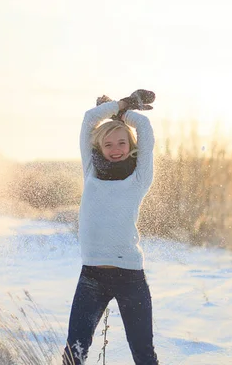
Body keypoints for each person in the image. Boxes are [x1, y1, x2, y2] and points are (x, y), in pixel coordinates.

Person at [63, 90, 159, 365]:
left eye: (121, 143)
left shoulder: (139, 179)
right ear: (99, 148)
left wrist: (123, 113)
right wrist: (120, 106)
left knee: (144, 355)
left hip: (131, 277)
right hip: (92, 276)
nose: (116, 149)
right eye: (108, 144)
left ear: (131, 146)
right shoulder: (91, 172)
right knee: (73, 355)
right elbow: (89, 119)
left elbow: (145, 127)